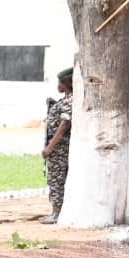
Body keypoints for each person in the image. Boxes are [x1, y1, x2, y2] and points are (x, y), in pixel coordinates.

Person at [41, 67, 73, 224]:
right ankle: (55, 211)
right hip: (57, 148)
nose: (58, 85)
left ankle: (57, 213)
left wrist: (50, 147)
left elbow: (65, 124)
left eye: (60, 82)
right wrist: (54, 104)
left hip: (60, 149)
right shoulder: (65, 99)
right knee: (54, 178)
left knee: (57, 180)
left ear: (67, 83)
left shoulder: (70, 100)